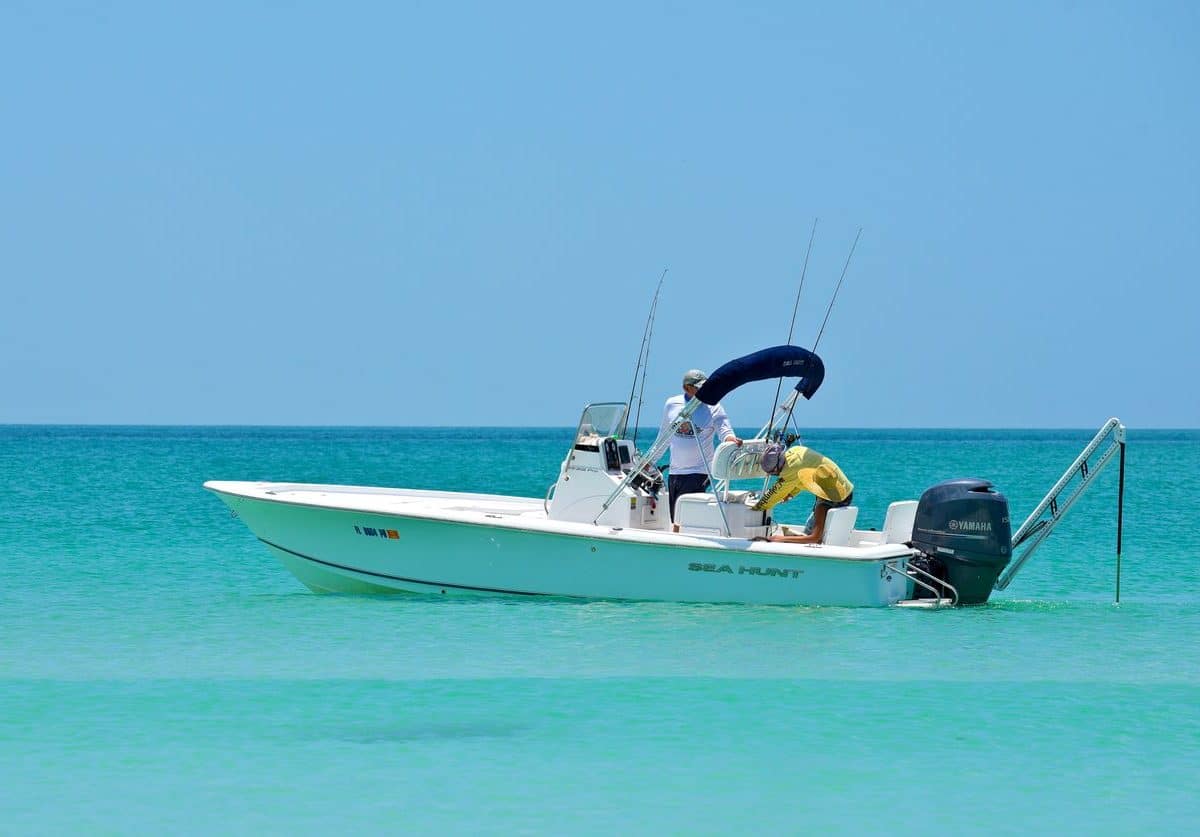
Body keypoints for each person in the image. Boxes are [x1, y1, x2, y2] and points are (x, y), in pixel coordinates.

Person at [661, 368, 741, 531]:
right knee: (675, 517)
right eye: (699, 387)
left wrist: (730, 438)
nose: (705, 390)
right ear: (687, 388)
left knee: (687, 517)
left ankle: (685, 545)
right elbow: (664, 436)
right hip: (675, 473)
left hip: (699, 472)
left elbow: (723, 428)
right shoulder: (672, 404)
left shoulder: (714, 406)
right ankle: (677, 546)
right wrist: (650, 462)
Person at [751, 443, 854, 543]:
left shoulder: (822, 506)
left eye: (774, 473)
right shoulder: (795, 451)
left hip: (831, 502)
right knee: (813, 526)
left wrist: (757, 507)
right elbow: (799, 478)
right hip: (844, 489)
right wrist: (791, 494)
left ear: (777, 468)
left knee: (811, 530)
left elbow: (776, 493)